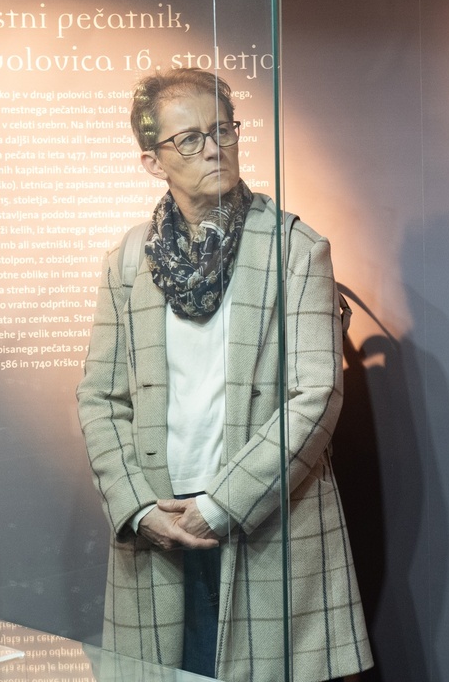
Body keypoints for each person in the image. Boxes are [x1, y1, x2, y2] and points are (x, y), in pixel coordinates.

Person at [76, 69, 373, 681]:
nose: (214, 148)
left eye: (223, 130)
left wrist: (222, 503)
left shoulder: (294, 248)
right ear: (153, 162)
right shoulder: (127, 261)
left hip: (268, 524)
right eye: (189, 139)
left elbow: (315, 394)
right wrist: (137, 507)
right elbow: (100, 398)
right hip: (158, 527)